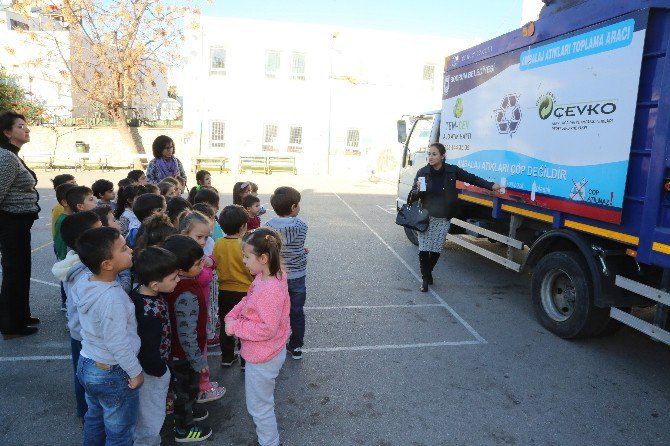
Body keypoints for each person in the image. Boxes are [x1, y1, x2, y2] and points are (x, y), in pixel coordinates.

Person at [73, 227, 144, 444]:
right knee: (120, 431)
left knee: (94, 418)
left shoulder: (85, 281)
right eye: (123, 248)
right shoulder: (112, 299)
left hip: (87, 363)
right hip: (112, 371)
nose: (130, 250)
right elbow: (117, 343)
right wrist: (135, 372)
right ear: (107, 264)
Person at [224, 228, 290, 446]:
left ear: (263, 258)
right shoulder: (265, 276)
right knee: (261, 402)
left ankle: (270, 442)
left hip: (263, 357)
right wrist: (232, 314)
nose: (243, 261)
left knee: (259, 406)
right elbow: (249, 300)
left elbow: (266, 329)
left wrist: (235, 327)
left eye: (246, 257)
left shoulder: (271, 290)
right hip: (266, 352)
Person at [410, 142, 500, 292]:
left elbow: (471, 178)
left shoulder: (452, 171)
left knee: (437, 249)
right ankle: (425, 278)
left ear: (443, 156)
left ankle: (428, 271)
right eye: (429, 154)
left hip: (444, 217)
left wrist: (490, 185)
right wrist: (417, 191)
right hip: (426, 216)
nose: (430, 157)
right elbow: (415, 196)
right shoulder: (423, 172)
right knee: (424, 249)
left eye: (434, 154)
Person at [52, 211, 103, 424]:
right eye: (100, 228)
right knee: (88, 377)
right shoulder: (85, 271)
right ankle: (89, 414)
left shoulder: (73, 262)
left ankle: (85, 412)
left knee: (81, 374)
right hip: (87, 334)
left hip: (78, 332)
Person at [162, 235, 214, 443]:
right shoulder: (185, 294)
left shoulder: (181, 284)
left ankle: (191, 409)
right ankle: (183, 429)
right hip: (183, 356)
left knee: (188, 389)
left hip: (184, 353)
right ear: (180, 270)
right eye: (197, 263)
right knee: (183, 392)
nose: (203, 264)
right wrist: (197, 360)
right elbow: (186, 333)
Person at [130, 247, 180, 446]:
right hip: (152, 372)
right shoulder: (150, 313)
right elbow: (147, 349)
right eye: (174, 278)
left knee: (148, 412)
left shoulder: (140, 295)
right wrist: (162, 371)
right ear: (155, 284)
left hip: (154, 366)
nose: (178, 280)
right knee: (151, 415)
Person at [177, 211, 226, 403]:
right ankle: (202, 387)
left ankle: (201, 383)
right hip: (193, 314)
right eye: (199, 237)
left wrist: (210, 262)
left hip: (202, 310)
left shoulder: (197, 255)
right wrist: (206, 265)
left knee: (201, 346)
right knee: (197, 349)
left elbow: (211, 264)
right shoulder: (187, 261)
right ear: (183, 234)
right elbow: (204, 274)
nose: (204, 241)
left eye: (207, 237)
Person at [0, 111, 41, 337]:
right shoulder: (5, 157)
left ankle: (20, 315)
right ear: (7, 132)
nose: (26, 129)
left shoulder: (12, 155)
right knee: (14, 272)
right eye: (20, 126)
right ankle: (10, 325)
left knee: (21, 270)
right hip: (11, 223)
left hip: (19, 223)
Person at [266, 186, 308, 360]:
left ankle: (275, 344)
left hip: (277, 275)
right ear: (292, 207)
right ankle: (296, 346)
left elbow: (272, 248)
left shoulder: (268, 227)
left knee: (275, 311)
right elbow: (295, 245)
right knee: (297, 311)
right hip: (297, 275)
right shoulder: (302, 226)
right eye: (297, 204)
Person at [214, 205, 253, 368]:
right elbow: (249, 268)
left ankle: (227, 357)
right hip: (244, 291)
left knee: (226, 324)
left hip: (224, 290)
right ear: (243, 226)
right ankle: (245, 360)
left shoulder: (218, 244)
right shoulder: (244, 245)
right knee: (245, 325)